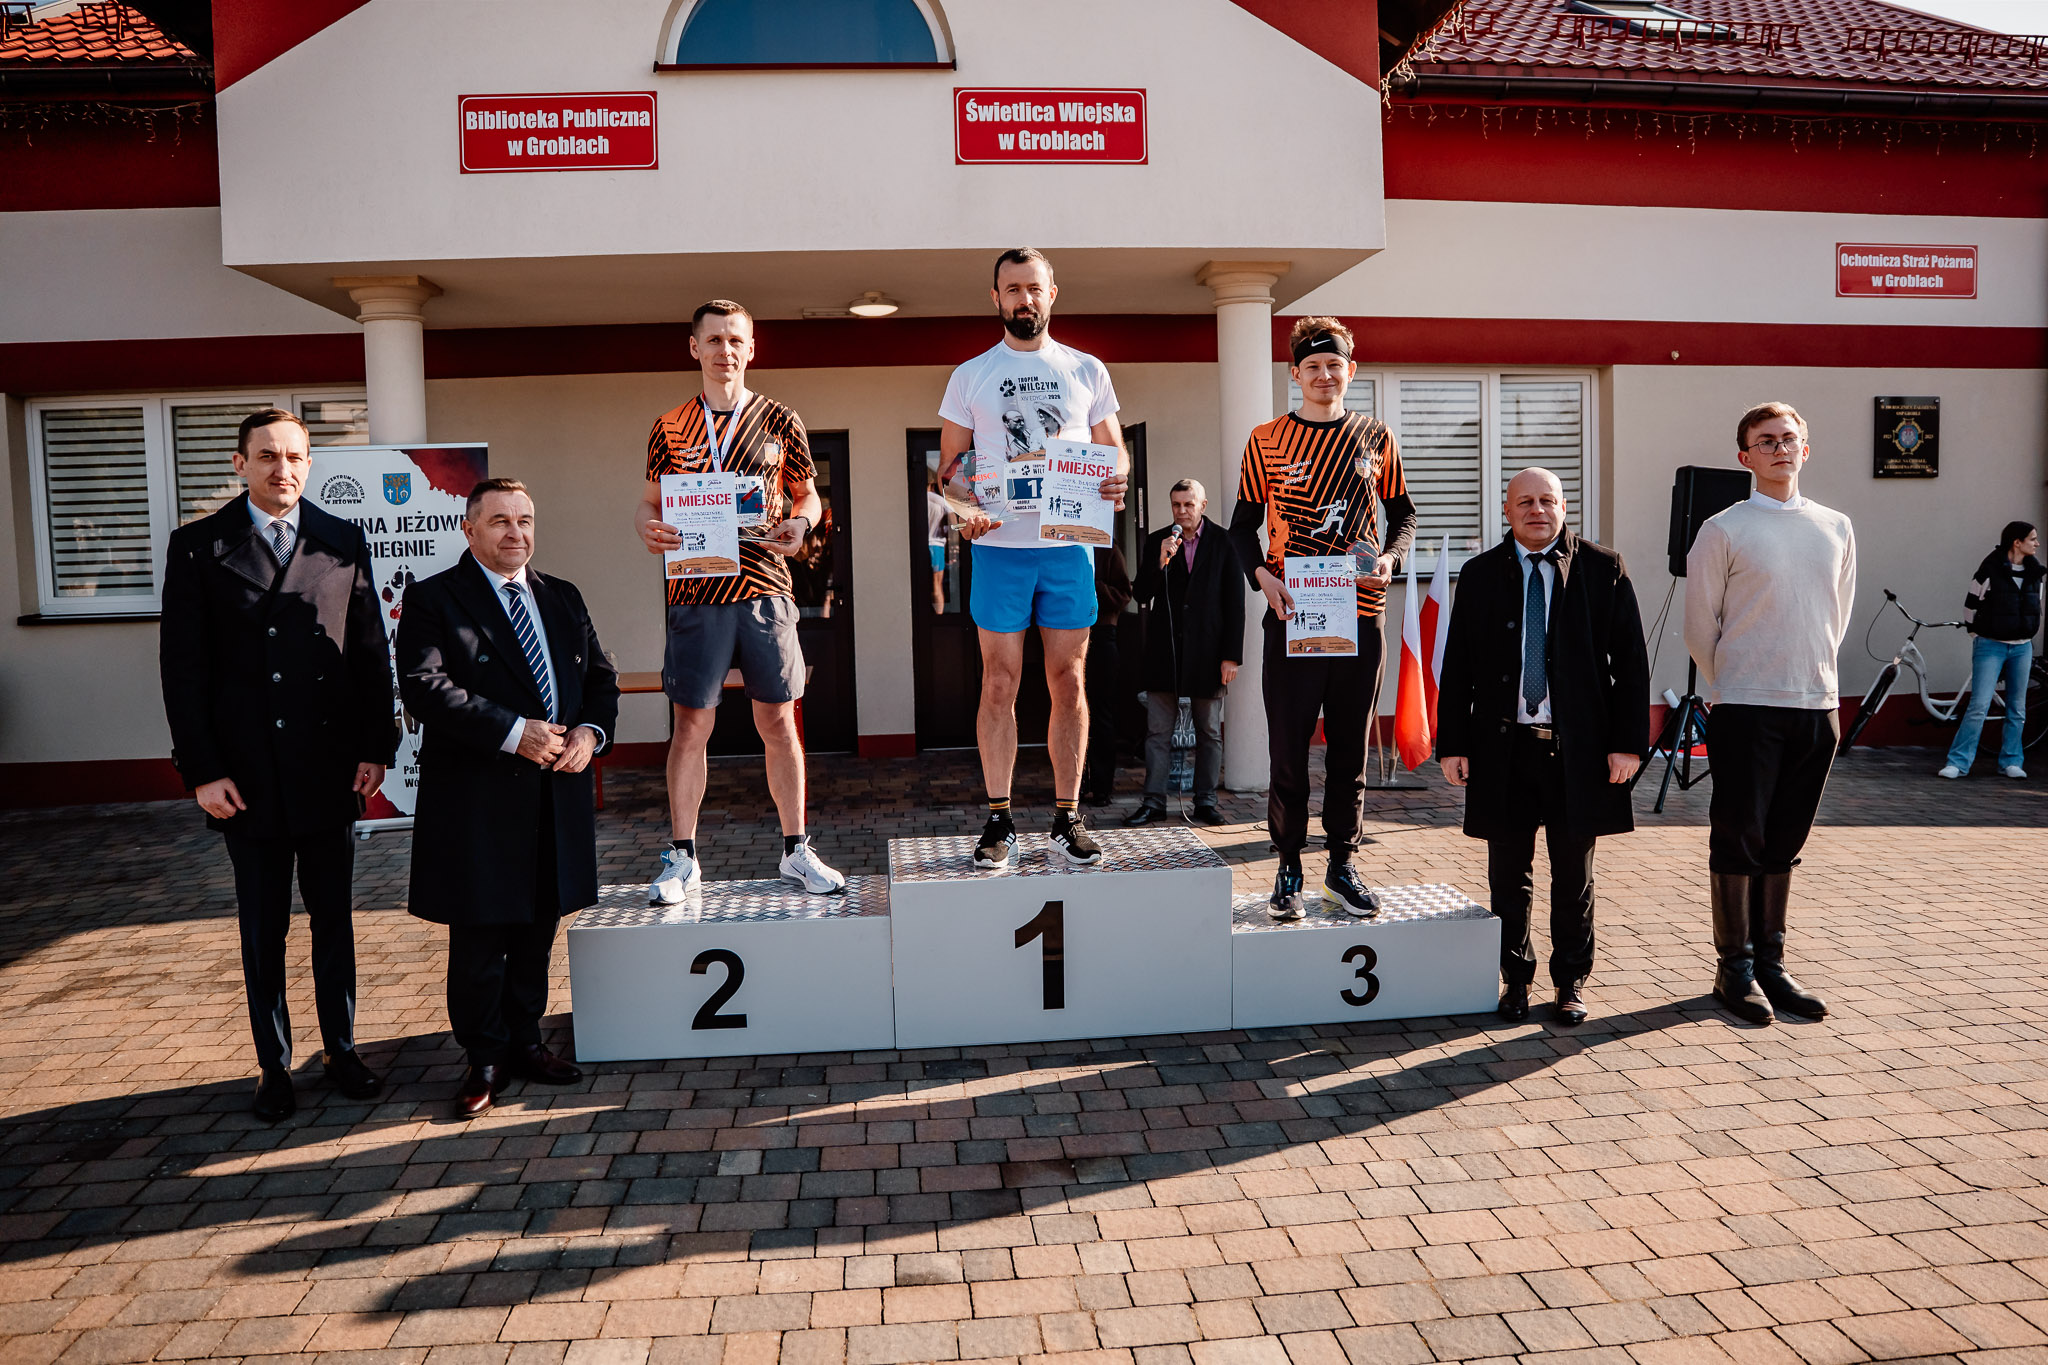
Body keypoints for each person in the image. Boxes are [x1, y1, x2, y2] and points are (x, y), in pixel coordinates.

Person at [159, 407, 397, 1121]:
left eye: (294, 456)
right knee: (264, 928)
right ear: (240, 464)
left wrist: (376, 746)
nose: (282, 468)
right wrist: (202, 770)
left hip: (327, 767)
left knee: (334, 922)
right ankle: (273, 1065)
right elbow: (183, 670)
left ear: (309, 463)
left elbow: (368, 653)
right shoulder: (199, 547)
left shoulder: (341, 538)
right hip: (248, 776)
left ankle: (342, 1049)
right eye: (266, 455)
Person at [398, 479, 620, 1117]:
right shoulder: (435, 598)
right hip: (479, 798)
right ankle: (484, 1058)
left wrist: (590, 731)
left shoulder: (562, 595)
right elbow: (425, 686)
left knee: (537, 929)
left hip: (554, 794)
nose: (515, 532)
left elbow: (600, 678)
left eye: (524, 519)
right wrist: (512, 731)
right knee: (480, 937)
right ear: (469, 530)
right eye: (499, 521)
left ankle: (527, 1041)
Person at [636, 299, 846, 902]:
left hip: (765, 589)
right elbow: (650, 502)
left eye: (735, 340)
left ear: (751, 349)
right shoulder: (669, 426)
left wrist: (803, 524)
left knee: (779, 720)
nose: (724, 351)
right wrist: (646, 527)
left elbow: (807, 497)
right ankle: (683, 858)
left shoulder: (781, 419)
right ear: (693, 347)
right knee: (691, 724)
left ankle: (796, 851)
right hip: (696, 589)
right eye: (713, 340)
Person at [1437, 468, 1649, 1025]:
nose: (1538, 510)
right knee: (1508, 873)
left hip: (1578, 752)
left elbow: (1631, 663)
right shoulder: (1481, 574)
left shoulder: (1603, 568)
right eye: (1526, 502)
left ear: (1563, 508)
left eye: (1548, 500)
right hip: (1503, 751)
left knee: (1574, 874)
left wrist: (1628, 745)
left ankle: (1570, 980)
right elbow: (1458, 665)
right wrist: (1452, 743)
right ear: (1507, 511)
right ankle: (1515, 979)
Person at [939, 247, 1128, 867]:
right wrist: (965, 511)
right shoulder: (971, 374)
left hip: (1068, 548)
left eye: (1034, 288)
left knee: (1068, 680)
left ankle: (1067, 817)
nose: (1025, 299)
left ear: (1052, 293)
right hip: (1000, 550)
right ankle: (999, 818)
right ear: (996, 298)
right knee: (999, 682)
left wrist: (1117, 479)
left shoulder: (1086, 369)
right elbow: (951, 470)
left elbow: (1114, 452)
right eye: (1013, 289)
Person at [1228, 317, 1415, 920]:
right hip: (1292, 615)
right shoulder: (1266, 439)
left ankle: (1341, 864)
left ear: (1350, 370)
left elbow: (1403, 516)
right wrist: (1263, 579)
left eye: (1334, 365)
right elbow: (1240, 528)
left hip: (1360, 616)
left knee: (1348, 750)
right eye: (1312, 366)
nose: (1324, 375)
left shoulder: (1376, 436)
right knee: (1288, 749)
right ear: (1295, 374)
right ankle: (1288, 865)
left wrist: (1388, 560)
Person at [1684, 402, 1855, 1025]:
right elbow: (1700, 627)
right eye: (1766, 441)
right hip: (1746, 706)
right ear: (1746, 457)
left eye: (1789, 439)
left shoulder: (1836, 526)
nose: (1780, 448)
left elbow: (1836, 615)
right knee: (1740, 836)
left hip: (1816, 704)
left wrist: (1807, 675)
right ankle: (1734, 968)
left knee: (1785, 839)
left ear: (1805, 449)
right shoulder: (1723, 529)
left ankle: (1771, 965)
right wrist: (1735, 680)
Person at [1127, 479, 1242, 826]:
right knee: (1157, 733)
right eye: (1176, 505)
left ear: (1202, 505)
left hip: (1209, 652)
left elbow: (1235, 603)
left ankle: (1205, 801)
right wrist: (1160, 562)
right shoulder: (1158, 542)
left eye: (1188, 504)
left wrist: (1231, 656)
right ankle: (1153, 802)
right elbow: (1141, 593)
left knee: (1209, 732)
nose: (1182, 511)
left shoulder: (1224, 541)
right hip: (1166, 652)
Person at [1939, 521, 2042, 780]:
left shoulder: (2036, 573)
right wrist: (1977, 635)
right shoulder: (1989, 569)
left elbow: (2036, 605)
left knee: (2017, 708)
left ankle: (2011, 762)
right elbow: (1970, 605)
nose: (2037, 544)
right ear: (2016, 542)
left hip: (2022, 647)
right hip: (1990, 646)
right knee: (1979, 705)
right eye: (2032, 539)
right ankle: (1958, 763)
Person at [1082, 544, 1133, 805]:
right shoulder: (1061, 543)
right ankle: (1075, 785)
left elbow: (1124, 595)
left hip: (1102, 634)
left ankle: (1102, 787)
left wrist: (1094, 586)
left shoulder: (1108, 549)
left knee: (1100, 712)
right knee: (1068, 709)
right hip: (1066, 633)